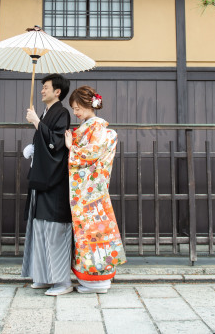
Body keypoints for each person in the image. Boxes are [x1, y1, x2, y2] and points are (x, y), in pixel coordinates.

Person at [64, 85, 126, 293]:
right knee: (93, 232)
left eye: (76, 107)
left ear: (86, 104)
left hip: (90, 191)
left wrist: (71, 147)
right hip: (91, 190)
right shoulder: (90, 126)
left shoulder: (96, 127)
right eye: (73, 109)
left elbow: (92, 153)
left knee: (92, 233)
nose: (75, 112)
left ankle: (96, 280)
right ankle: (94, 279)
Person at [21, 73, 74, 296]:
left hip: (55, 181)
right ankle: (43, 277)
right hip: (43, 178)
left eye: (46, 87)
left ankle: (62, 282)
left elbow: (55, 144)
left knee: (54, 230)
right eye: (41, 87)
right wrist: (33, 148)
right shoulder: (47, 113)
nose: (42, 90)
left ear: (57, 92)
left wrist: (36, 122)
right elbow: (45, 140)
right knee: (41, 227)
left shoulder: (61, 112)